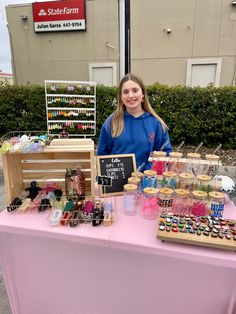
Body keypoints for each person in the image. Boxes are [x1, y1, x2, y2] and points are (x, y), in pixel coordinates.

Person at [97, 73, 172, 170]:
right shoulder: (112, 122)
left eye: (135, 90)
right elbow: (102, 156)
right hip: (117, 182)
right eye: (126, 92)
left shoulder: (155, 123)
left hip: (147, 182)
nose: (131, 95)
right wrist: (100, 181)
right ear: (121, 97)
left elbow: (165, 154)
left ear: (143, 95)